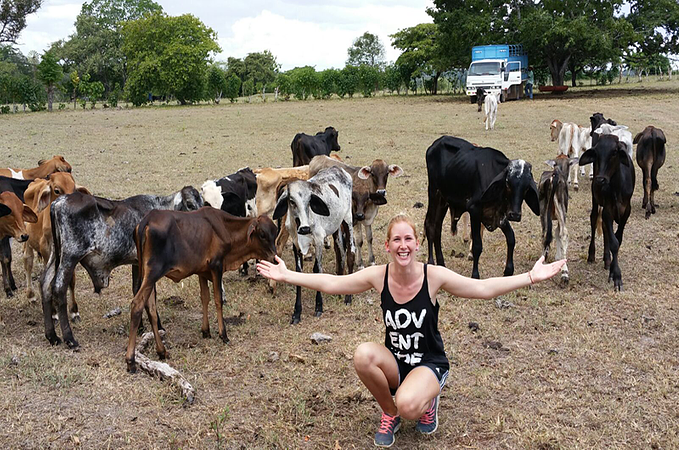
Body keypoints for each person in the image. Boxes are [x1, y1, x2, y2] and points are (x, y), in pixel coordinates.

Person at [257, 214, 565, 448]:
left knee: (410, 406)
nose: (403, 245)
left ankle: (425, 400)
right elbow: (333, 284)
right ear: (387, 246)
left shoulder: (434, 276)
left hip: (429, 364)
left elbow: (482, 288)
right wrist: (288, 276)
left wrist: (530, 277)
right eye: (397, 240)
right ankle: (389, 410)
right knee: (363, 355)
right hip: (396, 362)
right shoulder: (379, 276)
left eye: (408, 239)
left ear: (417, 244)